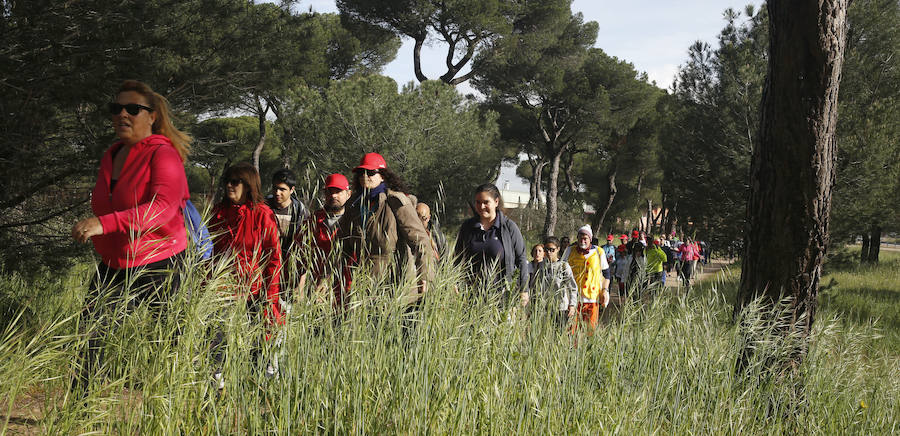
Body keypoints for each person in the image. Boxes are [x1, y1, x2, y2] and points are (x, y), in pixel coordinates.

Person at [70, 80, 192, 391]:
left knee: (170, 341)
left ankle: (174, 408)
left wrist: (105, 224)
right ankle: (80, 411)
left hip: (161, 263)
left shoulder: (164, 154)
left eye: (133, 109)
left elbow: (163, 208)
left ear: (151, 116)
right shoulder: (111, 155)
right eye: (116, 108)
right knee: (89, 335)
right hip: (116, 263)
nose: (122, 114)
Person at [209, 163, 283, 383]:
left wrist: (270, 296)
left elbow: (273, 259)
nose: (229, 186)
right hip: (222, 290)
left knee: (258, 343)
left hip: (254, 291)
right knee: (217, 340)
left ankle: (261, 386)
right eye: (227, 181)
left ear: (249, 185)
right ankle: (217, 383)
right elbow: (208, 252)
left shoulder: (262, 214)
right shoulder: (218, 213)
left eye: (235, 181)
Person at [337, 153, 434, 307]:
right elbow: (342, 246)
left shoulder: (396, 201)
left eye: (370, 172)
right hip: (365, 285)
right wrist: (329, 278)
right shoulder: (353, 205)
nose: (365, 176)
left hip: (396, 284)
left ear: (382, 176)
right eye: (361, 172)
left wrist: (425, 275)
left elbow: (420, 240)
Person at [454, 183, 530, 305]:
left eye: (486, 202)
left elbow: (521, 259)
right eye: (478, 202)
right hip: (470, 297)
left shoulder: (509, 227)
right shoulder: (467, 227)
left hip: (502, 297)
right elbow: (457, 257)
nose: (481, 206)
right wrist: (455, 282)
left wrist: (524, 290)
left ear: (496, 202)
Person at [296, 173, 353, 311]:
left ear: (348, 194)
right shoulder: (314, 220)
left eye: (338, 192)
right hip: (316, 293)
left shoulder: (354, 220)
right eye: (329, 192)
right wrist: (300, 289)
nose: (333, 196)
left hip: (348, 292)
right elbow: (300, 256)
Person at [266, 168, 310, 299]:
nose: (277, 193)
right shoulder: (263, 208)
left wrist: (301, 283)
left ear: (292, 190)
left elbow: (305, 251)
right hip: (266, 268)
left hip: (289, 272)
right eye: (275, 188)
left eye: (282, 189)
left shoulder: (301, 213)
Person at [563, 225, 610, 331]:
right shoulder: (570, 251)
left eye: (585, 238)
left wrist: (605, 290)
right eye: (580, 238)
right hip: (574, 299)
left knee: (590, 330)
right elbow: (562, 272)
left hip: (592, 299)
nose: (582, 241)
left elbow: (607, 274)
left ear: (590, 239)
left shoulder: (599, 252)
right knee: (572, 331)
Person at [530, 237, 577, 328]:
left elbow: (572, 287)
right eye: (546, 250)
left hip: (560, 308)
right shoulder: (540, 266)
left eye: (552, 250)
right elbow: (535, 286)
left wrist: (572, 305)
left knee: (557, 336)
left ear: (558, 249)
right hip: (543, 308)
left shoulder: (563, 266)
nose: (549, 253)